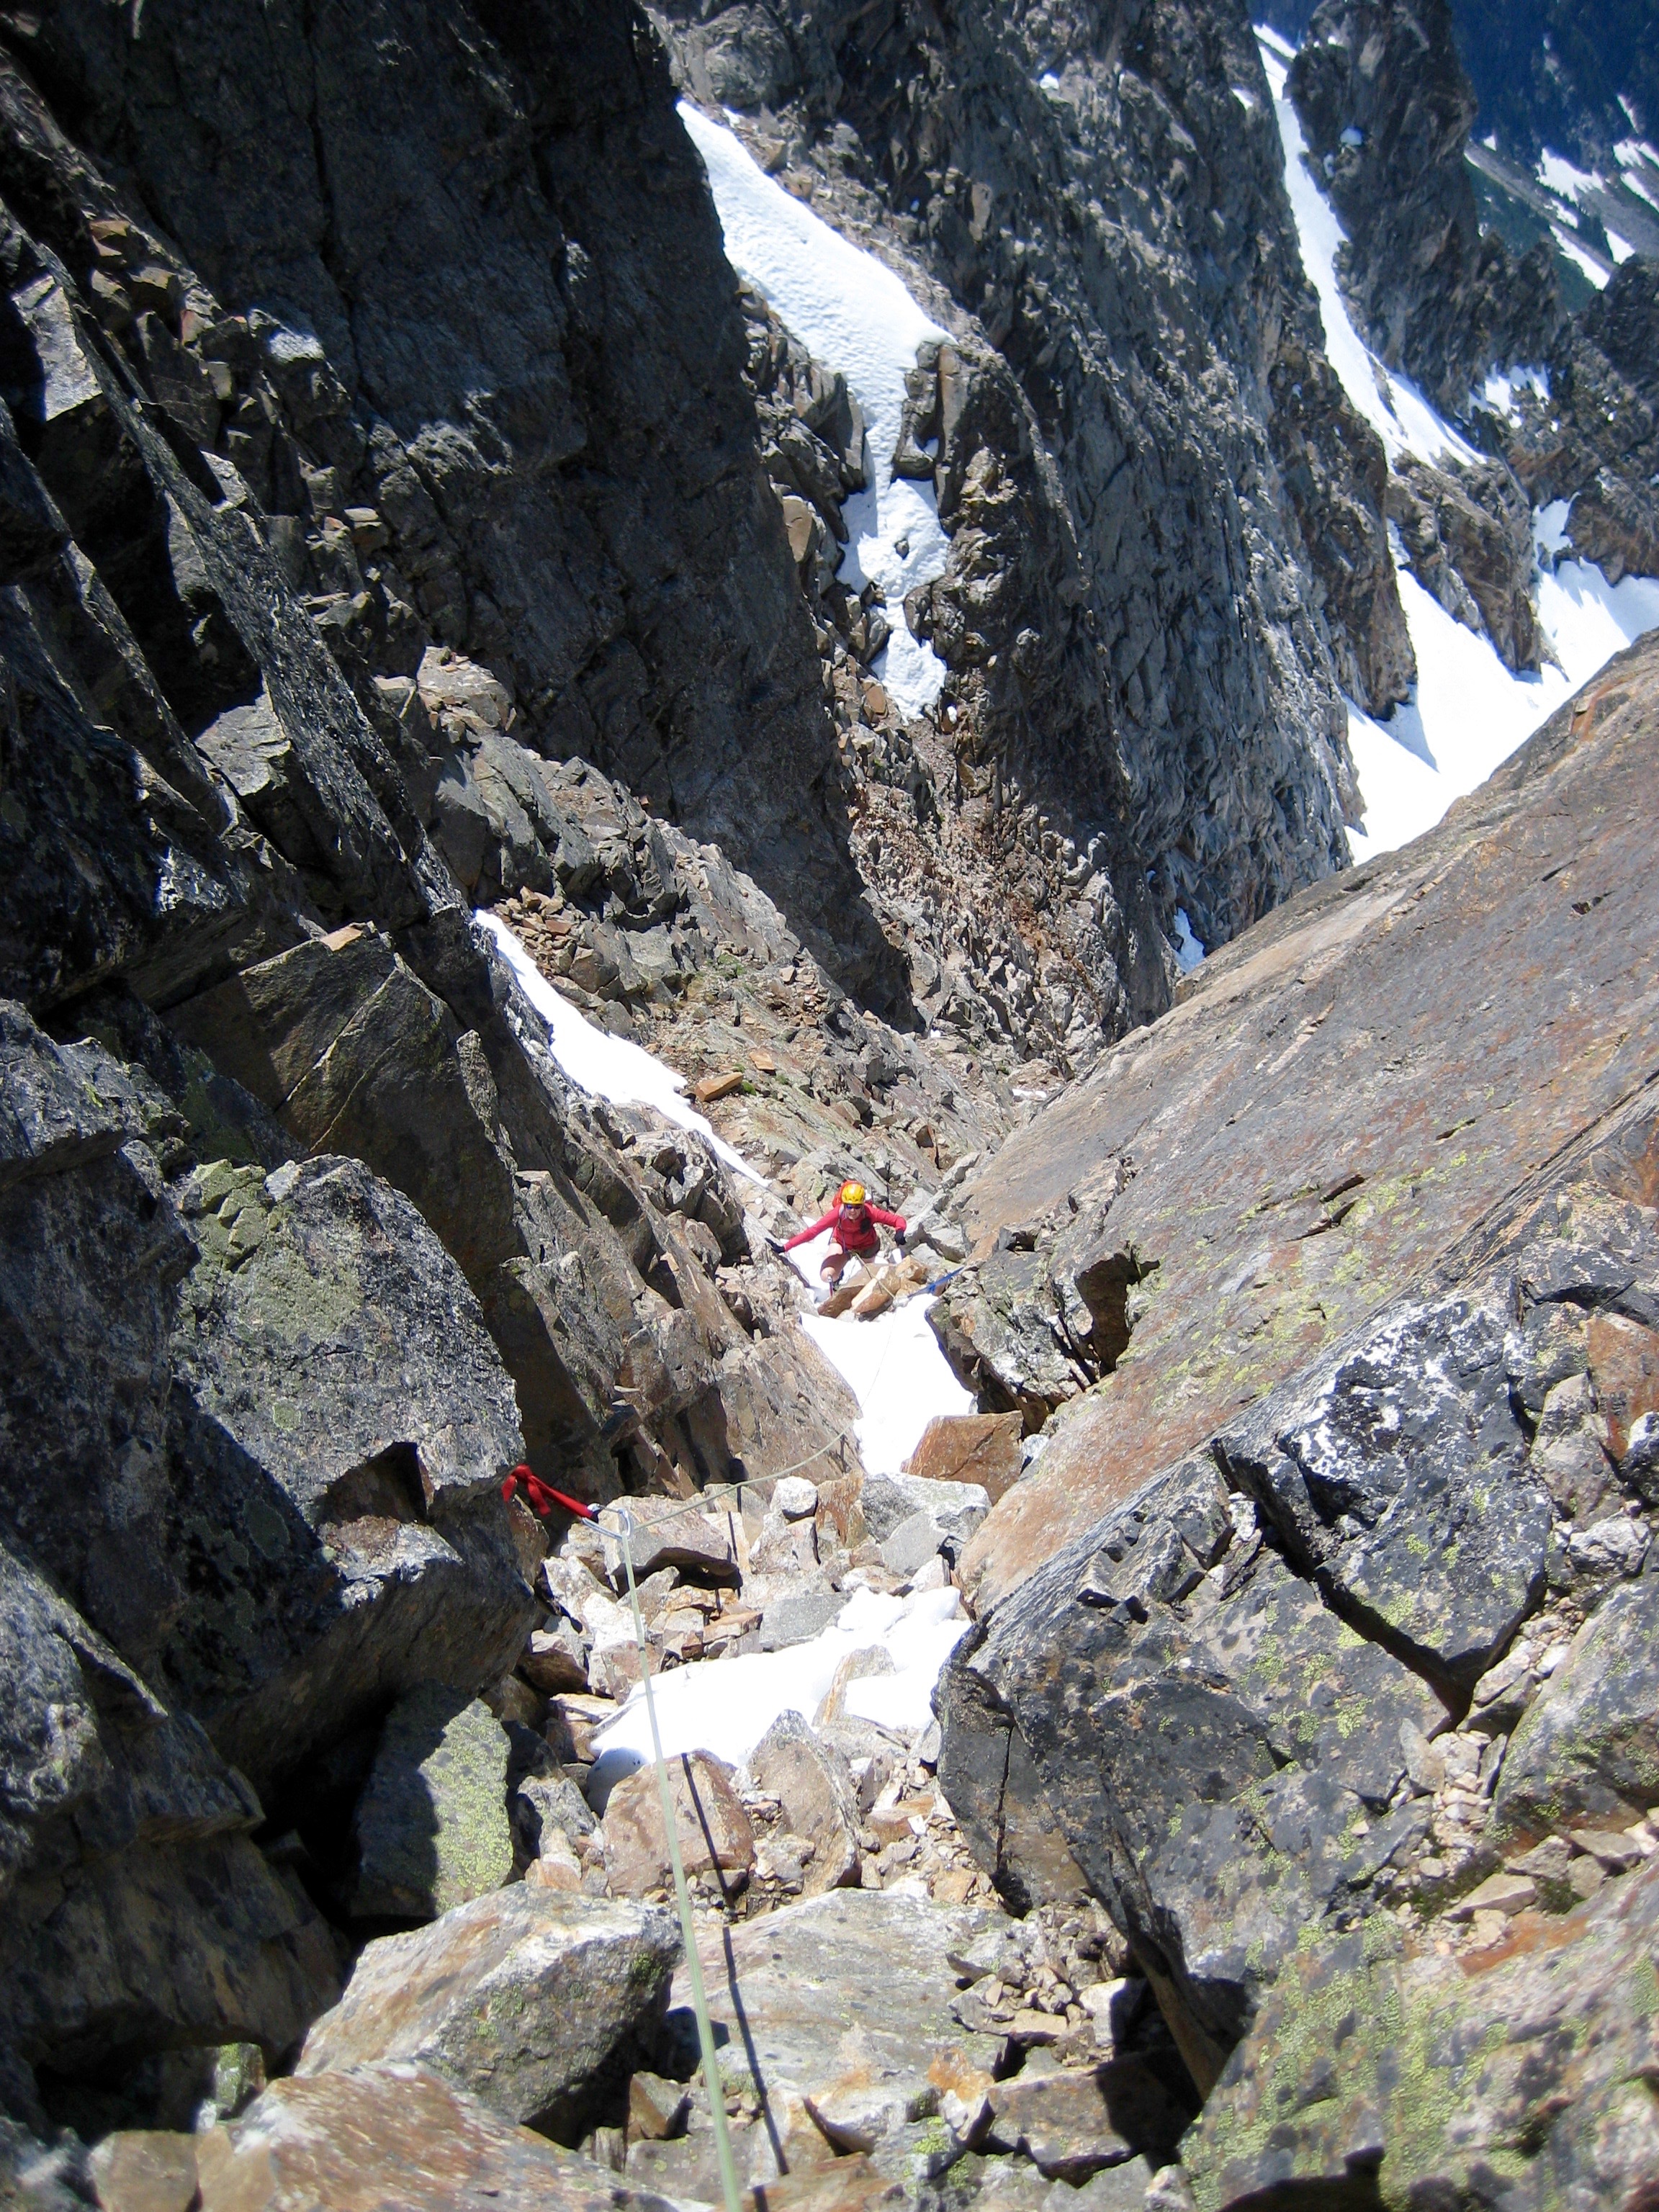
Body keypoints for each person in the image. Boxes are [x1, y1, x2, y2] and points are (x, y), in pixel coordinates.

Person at [781, 1181, 908, 1287]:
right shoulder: (837, 1214)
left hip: (867, 1246)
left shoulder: (870, 1212)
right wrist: (786, 1247)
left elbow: (897, 1220)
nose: (853, 1211)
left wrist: (900, 1230)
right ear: (844, 1205)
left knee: (868, 1279)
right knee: (827, 1275)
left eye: (857, 1207)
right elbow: (812, 1232)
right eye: (849, 1206)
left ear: (863, 1205)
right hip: (843, 1243)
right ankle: (837, 1279)